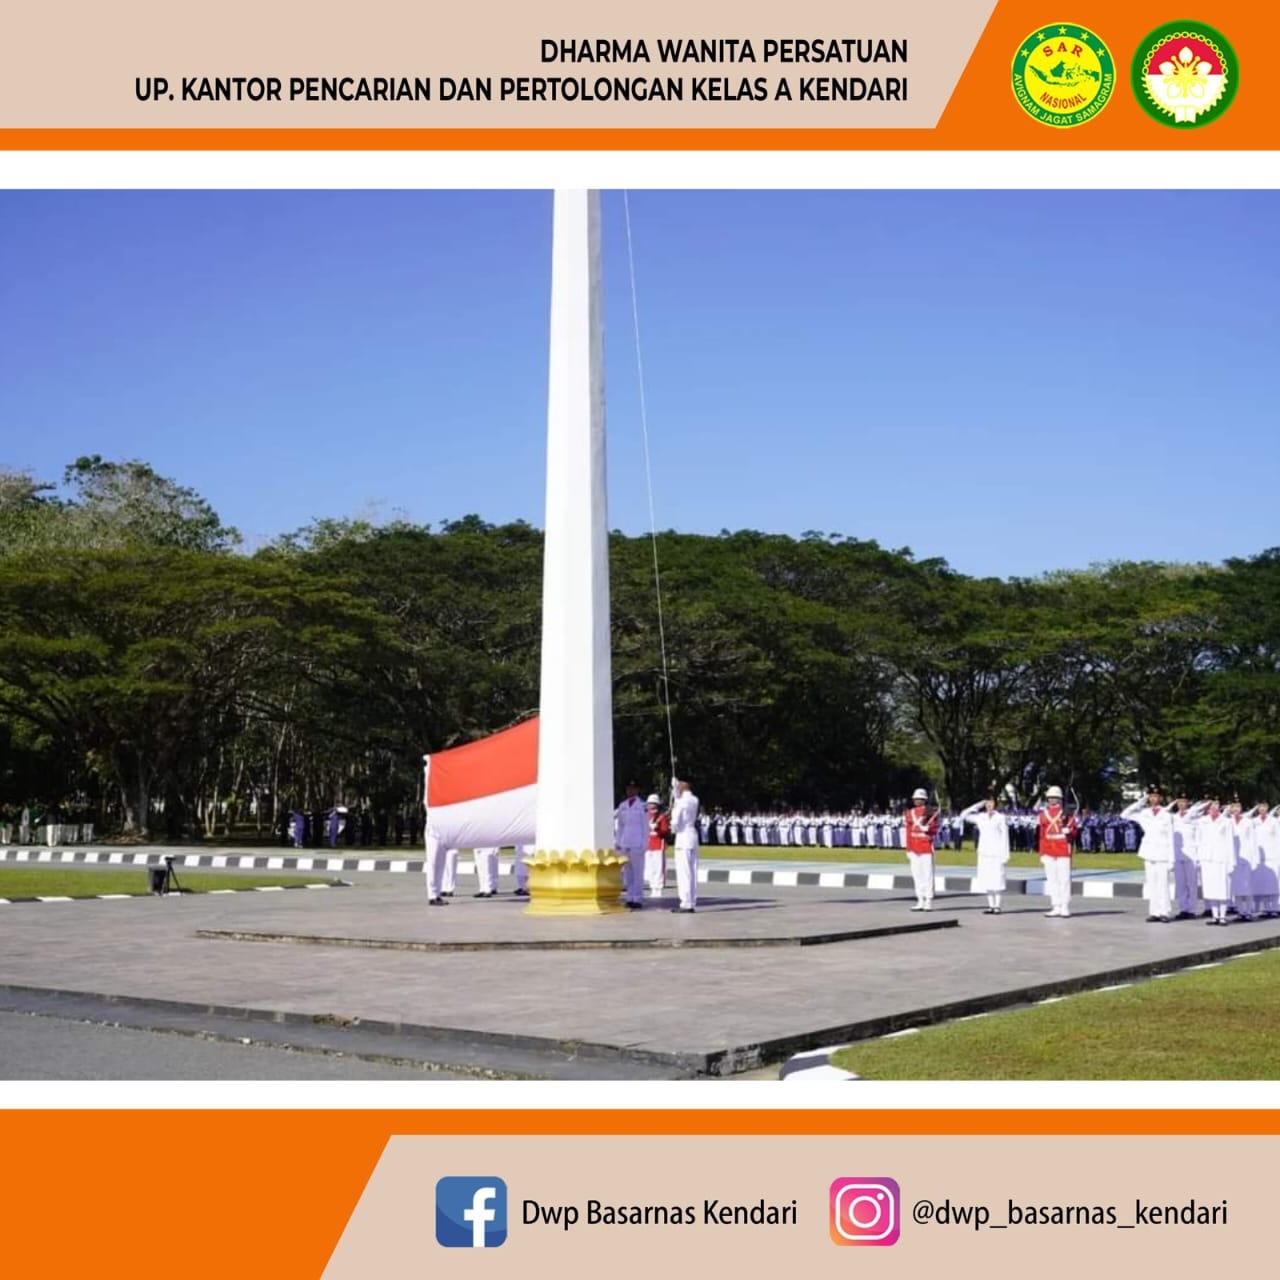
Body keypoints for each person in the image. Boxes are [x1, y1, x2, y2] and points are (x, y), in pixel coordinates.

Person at [1124, 785, 1175, 923]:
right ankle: (1154, 912)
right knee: (1152, 884)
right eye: (1151, 796)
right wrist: (1141, 801)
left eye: (1156, 796)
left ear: (1161, 798)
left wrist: (1172, 859)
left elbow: (1171, 837)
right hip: (1148, 852)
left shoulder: (1167, 815)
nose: (1153, 799)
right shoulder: (1144, 813)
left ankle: (1165, 912)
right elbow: (1125, 814)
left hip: (1163, 853)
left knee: (1163, 884)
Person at [958, 795, 1010, 914]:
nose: (989, 806)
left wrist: (1005, 854)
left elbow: (1005, 836)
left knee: (997, 879)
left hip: (997, 852)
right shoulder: (981, 817)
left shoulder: (1000, 817)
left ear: (995, 804)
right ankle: (991, 906)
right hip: (984, 852)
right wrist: (978, 805)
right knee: (987, 879)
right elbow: (963, 815)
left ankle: (997, 906)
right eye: (987, 804)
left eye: (991, 803)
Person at [1187, 798, 1232, 924]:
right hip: (1207, 859)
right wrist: (1199, 858)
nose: (1213, 809)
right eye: (1211, 807)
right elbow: (1198, 840)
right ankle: (1215, 916)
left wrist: (1231, 862)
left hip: (1221, 859)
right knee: (1211, 889)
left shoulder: (1226, 822)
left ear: (1219, 808)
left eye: (1216, 806)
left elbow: (1230, 843)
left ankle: (1223, 916)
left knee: (1222, 889)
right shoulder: (1202, 821)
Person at [1037, 786, 1078, 918]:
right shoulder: (1043, 814)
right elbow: (1042, 835)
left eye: (1054, 798)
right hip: (1048, 848)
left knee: (1064, 879)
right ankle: (1056, 905)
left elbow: (1074, 831)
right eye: (1050, 798)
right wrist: (1042, 853)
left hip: (1062, 848)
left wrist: (1069, 831)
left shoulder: (1067, 813)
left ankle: (1065, 906)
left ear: (1059, 799)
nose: (1052, 800)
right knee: (1052, 880)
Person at [613, 781, 648, 910]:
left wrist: (644, 844)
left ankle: (637, 898)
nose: (630, 791)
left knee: (638, 873)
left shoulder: (642, 806)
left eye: (633, 788)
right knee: (628, 873)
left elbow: (646, 827)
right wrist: (618, 842)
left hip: (637, 842)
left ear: (637, 790)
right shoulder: (622, 806)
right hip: (625, 842)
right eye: (628, 788)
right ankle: (629, 897)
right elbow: (620, 826)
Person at [904, 787, 940, 911]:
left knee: (928, 875)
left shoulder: (930, 811)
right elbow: (908, 832)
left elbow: (935, 828)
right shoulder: (910, 813)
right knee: (917, 875)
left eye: (919, 799)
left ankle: (928, 900)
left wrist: (928, 829)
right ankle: (920, 899)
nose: (917, 800)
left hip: (926, 847)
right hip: (914, 847)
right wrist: (908, 849)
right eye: (915, 799)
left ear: (924, 800)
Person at [670, 779, 700, 913]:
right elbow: (680, 799)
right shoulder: (694, 799)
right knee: (692, 871)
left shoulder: (681, 802)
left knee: (684, 872)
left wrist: (672, 829)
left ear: (681, 788)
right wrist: (676, 792)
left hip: (682, 837)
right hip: (692, 836)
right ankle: (691, 901)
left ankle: (686, 902)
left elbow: (675, 822)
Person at [1171, 793, 1201, 919]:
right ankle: (1183, 908)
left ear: (1188, 803)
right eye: (1179, 802)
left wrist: (1199, 855)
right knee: (1180, 883)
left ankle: (1192, 909)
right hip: (1178, 853)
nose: (1181, 804)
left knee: (1192, 883)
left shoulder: (1194, 817)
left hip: (1192, 853)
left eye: (1184, 801)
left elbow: (1199, 837)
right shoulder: (1173, 818)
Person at [1246, 801, 1278, 917]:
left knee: (1272, 883)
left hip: (1272, 855)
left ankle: (1274, 908)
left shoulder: (1274, 821)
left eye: (1264, 807)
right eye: (1260, 807)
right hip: (1258, 855)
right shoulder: (1254, 822)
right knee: (1260, 884)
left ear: (1267, 808)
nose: (1262, 809)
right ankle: (1263, 907)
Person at [644, 794, 670, 898]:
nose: (651, 805)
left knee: (658, 868)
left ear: (657, 804)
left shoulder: (662, 817)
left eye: (653, 803)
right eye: (650, 803)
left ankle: (658, 888)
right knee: (650, 867)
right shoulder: (646, 816)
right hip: (648, 845)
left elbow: (665, 831)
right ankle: (652, 886)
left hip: (659, 845)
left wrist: (657, 828)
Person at [424, 830, 448, 906]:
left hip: (442, 833)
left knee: (440, 867)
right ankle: (432, 897)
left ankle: (437, 895)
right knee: (433, 864)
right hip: (433, 832)